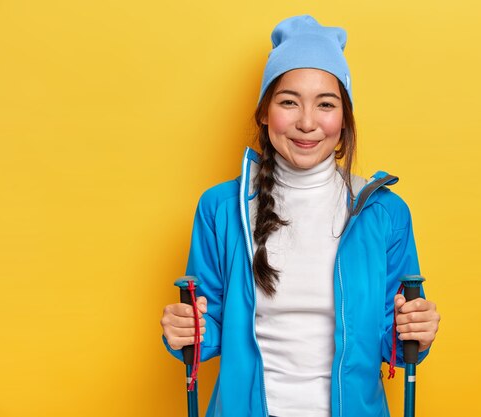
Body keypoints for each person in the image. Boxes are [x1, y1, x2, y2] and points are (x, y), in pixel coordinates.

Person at [160, 15, 440, 417]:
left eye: (326, 104)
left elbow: (391, 343)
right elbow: (206, 331)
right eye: (289, 101)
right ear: (263, 112)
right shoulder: (221, 208)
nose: (307, 122)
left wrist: (416, 333)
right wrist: (183, 330)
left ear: (343, 119)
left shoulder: (384, 212)